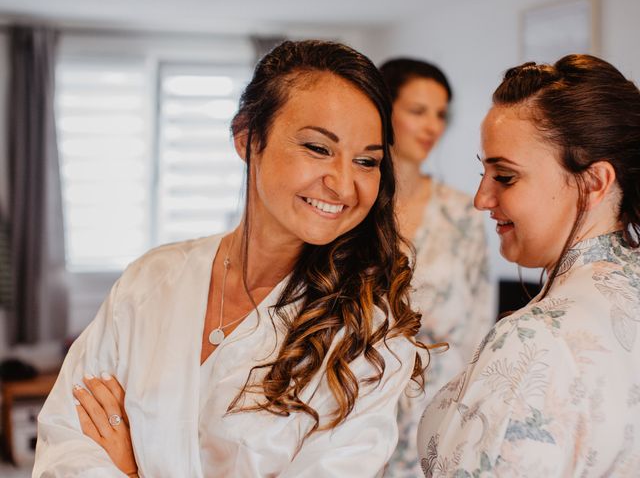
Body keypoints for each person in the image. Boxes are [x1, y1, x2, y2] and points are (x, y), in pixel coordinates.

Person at [33, 40, 426, 477]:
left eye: (366, 161)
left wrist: (131, 472)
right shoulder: (151, 280)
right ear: (247, 138)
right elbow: (67, 439)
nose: (343, 184)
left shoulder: (369, 340)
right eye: (318, 148)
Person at [417, 54, 640, 476]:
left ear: (594, 183)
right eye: (483, 173)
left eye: (505, 177)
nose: (481, 199)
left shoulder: (533, 342)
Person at [378, 58, 493, 476]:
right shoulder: (353, 208)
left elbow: (479, 323)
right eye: (417, 111)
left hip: (436, 406)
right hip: (358, 399)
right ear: (384, 109)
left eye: (441, 115)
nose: (432, 127)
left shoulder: (463, 212)